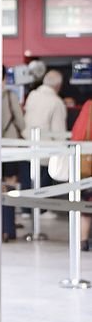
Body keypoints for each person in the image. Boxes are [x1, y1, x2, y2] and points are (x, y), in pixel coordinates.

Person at [1, 66, 26, 242]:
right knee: (9, 188)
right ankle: (8, 228)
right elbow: (21, 123)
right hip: (9, 147)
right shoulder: (10, 96)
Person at [70, 99, 92, 251]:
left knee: (86, 200)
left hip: (86, 160)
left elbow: (77, 133)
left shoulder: (89, 105)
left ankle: (83, 240)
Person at [24, 68, 67, 140]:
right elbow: (59, 133)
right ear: (58, 86)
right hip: (45, 147)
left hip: (27, 142)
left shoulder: (32, 95)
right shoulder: (57, 102)